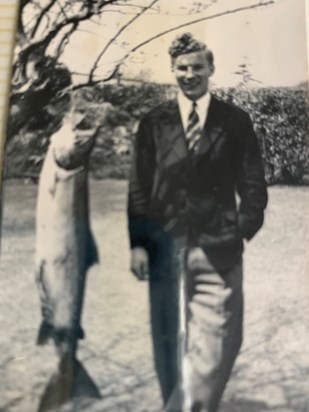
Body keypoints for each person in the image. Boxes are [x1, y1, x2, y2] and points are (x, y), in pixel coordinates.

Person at [127, 33, 268, 412]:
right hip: (164, 247)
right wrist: (139, 242)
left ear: (211, 69)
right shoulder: (153, 122)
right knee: (168, 338)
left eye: (197, 67)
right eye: (182, 68)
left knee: (222, 337)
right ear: (173, 70)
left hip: (216, 246)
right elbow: (139, 186)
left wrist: (240, 229)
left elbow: (253, 184)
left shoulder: (234, 121)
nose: (190, 75)